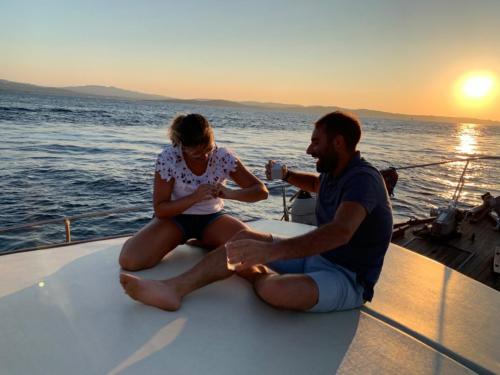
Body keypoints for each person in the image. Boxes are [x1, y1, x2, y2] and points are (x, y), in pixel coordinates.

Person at [120, 111, 393, 313]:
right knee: (240, 241)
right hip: (316, 257)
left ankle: (259, 273)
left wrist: (272, 251)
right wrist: (286, 174)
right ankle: (173, 288)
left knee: (272, 288)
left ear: (338, 143)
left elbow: (340, 233)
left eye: (315, 142)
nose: (309, 149)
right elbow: (316, 185)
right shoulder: (337, 173)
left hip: (347, 276)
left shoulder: (363, 179)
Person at [118, 113, 268, 273]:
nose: (205, 156)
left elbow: (261, 192)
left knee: (255, 250)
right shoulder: (169, 158)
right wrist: (194, 197)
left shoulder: (223, 156)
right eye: (197, 154)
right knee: (129, 260)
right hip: (175, 219)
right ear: (181, 146)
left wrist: (230, 193)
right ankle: (191, 239)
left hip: (213, 218)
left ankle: (205, 240)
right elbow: (160, 210)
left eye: (208, 149)